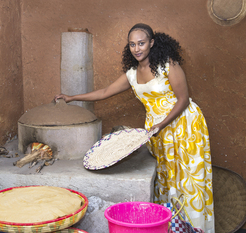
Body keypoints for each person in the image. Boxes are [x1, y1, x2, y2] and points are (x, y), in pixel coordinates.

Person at [55, 23, 215, 232]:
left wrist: (161, 124)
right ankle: (174, 227)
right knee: (168, 180)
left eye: (141, 43)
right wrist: (72, 97)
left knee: (187, 179)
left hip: (184, 125)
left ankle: (195, 228)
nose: (137, 49)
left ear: (152, 43)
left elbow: (183, 100)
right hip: (158, 131)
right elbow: (104, 92)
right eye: (132, 44)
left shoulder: (167, 64)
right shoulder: (132, 74)